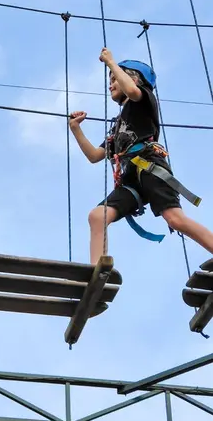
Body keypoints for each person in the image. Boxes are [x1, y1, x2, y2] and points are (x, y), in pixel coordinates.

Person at [69, 47, 213, 265]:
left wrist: (111, 63)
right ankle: (95, 272)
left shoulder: (144, 99)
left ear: (134, 79)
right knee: (97, 216)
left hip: (150, 167)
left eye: (115, 79)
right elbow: (94, 155)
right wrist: (75, 128)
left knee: (175, 219)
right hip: (130, 179)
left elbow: (133, 92)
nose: (111, 83)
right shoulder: (118, 128)